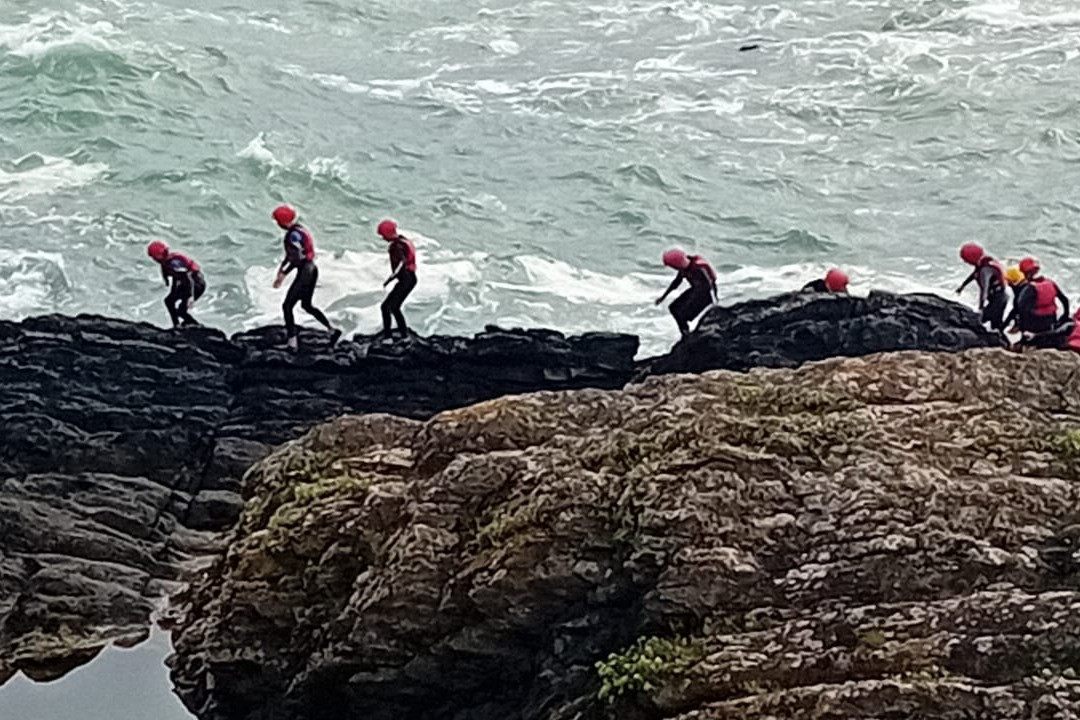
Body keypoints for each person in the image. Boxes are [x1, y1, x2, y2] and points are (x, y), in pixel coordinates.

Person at [271, 205, 341, 351]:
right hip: (312, 269)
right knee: (306, 305)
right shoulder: (300, 230)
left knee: (287, 306)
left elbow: (296, 257)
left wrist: (283, 273)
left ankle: (292, 343)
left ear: (283, 222)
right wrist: (282, 270)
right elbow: (294, 256)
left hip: (305, 272)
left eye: (278, 221)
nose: (277, 224)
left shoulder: (292, 236)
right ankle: (332, 330)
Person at [655, 248, 718, 337]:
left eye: (673, 266)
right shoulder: (683, 268)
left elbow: (712, 282)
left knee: (682, 314)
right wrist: (663, 297)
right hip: (695, 290)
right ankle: (685, 333)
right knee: (673, 308)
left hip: (706, 294)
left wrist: (715, 302)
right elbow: (676, 283)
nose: (674, 268)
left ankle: (687, 334)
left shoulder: (699, 266)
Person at [1005, 256, 1070, 343]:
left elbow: (1019, 309)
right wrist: (1065, 316)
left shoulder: (1029, 288)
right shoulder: (1051, 283)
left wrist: (1011, 325)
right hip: (1050, 322)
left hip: (1034, 325)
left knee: (1024, 312)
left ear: (1027, 273)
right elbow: (1065, 301)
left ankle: (1024, 339)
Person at [147, 241, 205, 329]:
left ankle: (195, 326)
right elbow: (176, 278)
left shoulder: (174, 262)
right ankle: (177, 325)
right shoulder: (166, 263)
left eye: (155, 256)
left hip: (195, 284)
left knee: (181, 310)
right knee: (169, 301)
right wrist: (172, 293)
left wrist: (191, 296)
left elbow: (187, 277)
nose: (154, 259)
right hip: (186, 284)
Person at [376, 219, 417, 340]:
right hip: (411, 278)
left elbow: (402, 262)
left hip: (406, 279)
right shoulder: (403, 240)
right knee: (394, 307)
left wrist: (391, 278)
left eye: (383, 235)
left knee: (386, 307)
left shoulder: (396, 246)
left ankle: (388, 338)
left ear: (388, 233)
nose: (383, 238)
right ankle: (404, 336)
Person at [955, 243, 1007, 331]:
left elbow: (984, 290)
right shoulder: (983, 263)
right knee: (991, 321)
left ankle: (1002, 337)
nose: (965, 262)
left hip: (999, 299)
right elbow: (974, 274)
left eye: (966, 260)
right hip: (999, 296)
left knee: (989, 321)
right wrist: (963, 286)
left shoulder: (985, 270)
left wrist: (981, 308)